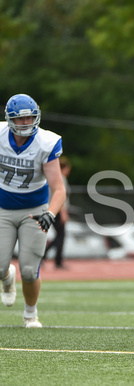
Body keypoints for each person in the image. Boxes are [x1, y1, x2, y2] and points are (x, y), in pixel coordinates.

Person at [0, 93, 66, 328]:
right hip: (3, 208)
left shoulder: (46, 142)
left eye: (29, 118)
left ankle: (30, 314)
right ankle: (6, 276)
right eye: (20, 119)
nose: (26, 123)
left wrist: (50, 213)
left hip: (34, 210)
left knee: (29, 270)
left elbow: (58, 188)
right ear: (10, 120)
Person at [43, 156, 71, 268]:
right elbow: (60, 197)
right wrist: (64, 212)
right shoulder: (61, 178)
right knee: (61, 235)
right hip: (58, 210)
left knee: (59, 235)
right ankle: (56, 260)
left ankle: (46, 256)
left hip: (52, 208)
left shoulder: (52, 178)